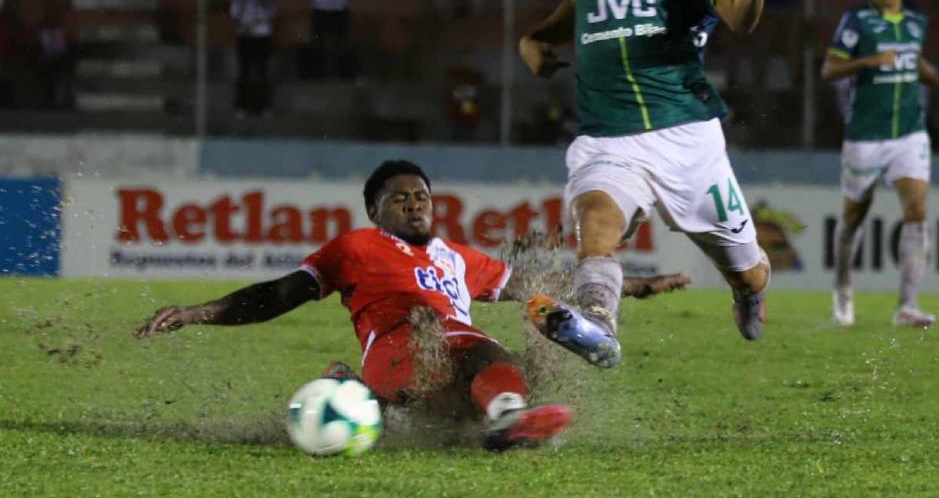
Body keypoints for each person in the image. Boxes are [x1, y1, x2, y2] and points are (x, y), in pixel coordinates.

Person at [134, 160, 686, 449]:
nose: (414, 204)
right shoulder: (356, 247)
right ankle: (506, 421)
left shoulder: (458, 257)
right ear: (375, 212)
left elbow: (543, 282)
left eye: (421, 196)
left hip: (437, 366)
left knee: (485, 372)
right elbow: (278, 294)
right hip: (402, 345)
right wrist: (195, 312)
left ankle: (362, 396)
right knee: (473, 347)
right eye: (399, 199)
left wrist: (631, 285)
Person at [517, 0, 785, 368]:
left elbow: (738, 19)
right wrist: (533, 40)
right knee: (596, 223)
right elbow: (583, 8)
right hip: (607, 134)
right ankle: (597, 325)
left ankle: (747, 291)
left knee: (748, 269)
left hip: (685, 135)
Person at [821, 0, 939, 328]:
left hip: (909, 133)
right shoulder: (856, 21)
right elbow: (829, 69)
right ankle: (842, 290)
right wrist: (868, 61)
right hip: (865, 136)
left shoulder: (916, 22)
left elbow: (916, 62)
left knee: (916, 210)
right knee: (854, 217)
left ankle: (908, 305)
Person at [229, 0, 276, 116]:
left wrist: (254, 23)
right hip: (245, 37)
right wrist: (245, 26)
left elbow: (269, 16)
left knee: (262, 72)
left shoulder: (266, 0)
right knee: (244, 71)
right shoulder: (239, 0)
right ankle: (241, 106)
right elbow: (235, 16)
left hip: (262, 38)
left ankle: (264, 106)